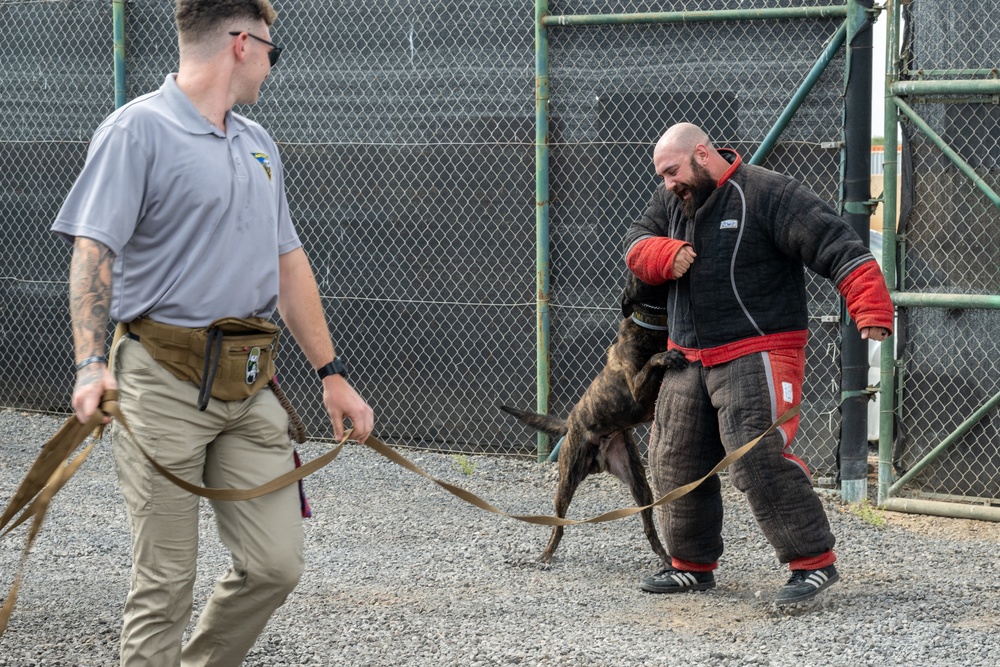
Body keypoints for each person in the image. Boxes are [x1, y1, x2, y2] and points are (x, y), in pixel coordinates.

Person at [52, 1, 374, 664]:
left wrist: (332, 373)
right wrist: (90, 364)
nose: (270, 67)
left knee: (274, 564)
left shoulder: (258, 143)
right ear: (240, 43)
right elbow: (93, 252)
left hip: (250, 384)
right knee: (164, 585)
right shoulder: (135, 130)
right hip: (161, 380)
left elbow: (289, 266)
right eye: (271, 52)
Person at [623, 122, 892, 605]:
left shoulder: (770, 192)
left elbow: (840, 246)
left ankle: (812, 563)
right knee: (674, 460)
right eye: (661, 175)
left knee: (760, 460)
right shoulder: (670, 202)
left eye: (672, 171)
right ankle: (691, 566)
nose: (666, 183)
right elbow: (637, 243)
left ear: (702, 154)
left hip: (759, 349)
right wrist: (662, 254)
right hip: (686, 356)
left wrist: (870, 308)